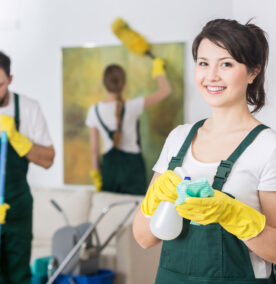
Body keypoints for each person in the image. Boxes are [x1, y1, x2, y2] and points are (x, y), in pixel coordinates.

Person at [133, 19, 276, 283]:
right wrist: (155, 197)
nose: (211, 76)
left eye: (226, 64)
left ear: (253, 72)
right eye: (203, 63)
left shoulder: (268, 147)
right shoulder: (179, 139)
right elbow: (144, 237)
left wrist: (232, 213)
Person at [0, 50, 55, 283]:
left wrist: (19, 139)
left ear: (10, 79)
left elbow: (48, 160)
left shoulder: (28, 108)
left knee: (18, 276)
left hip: (18, 206)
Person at [86, 58, 171, 195]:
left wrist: (96, 176)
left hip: (109, 169)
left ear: (104, 83)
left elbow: (94, 150)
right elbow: (165, 90)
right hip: (133, 168)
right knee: (134, 211)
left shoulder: (94, 111)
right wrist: (158, 70)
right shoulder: (133, 106)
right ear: (123, 83)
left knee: (111, 212)